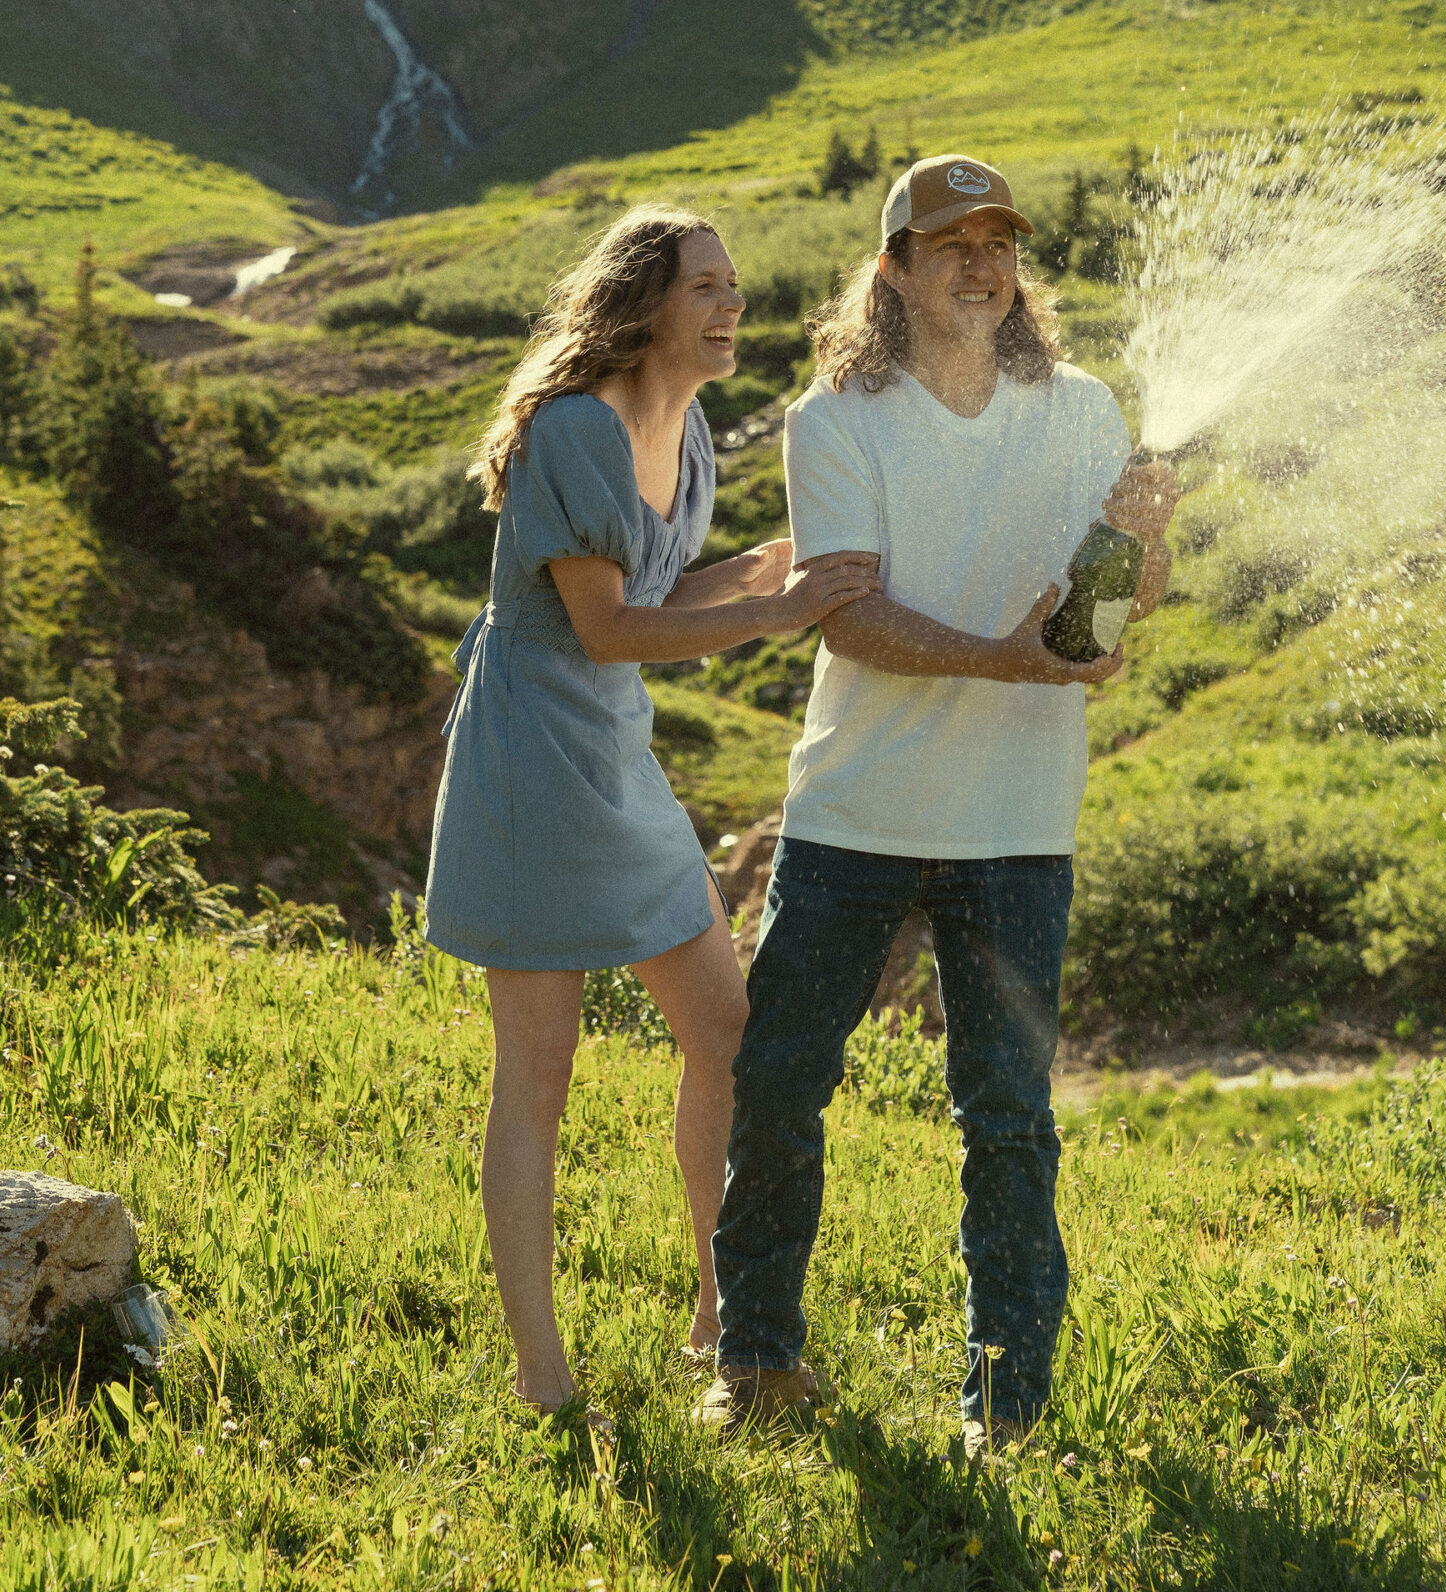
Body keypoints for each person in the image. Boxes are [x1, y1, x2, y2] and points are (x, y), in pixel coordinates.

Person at [698, 155, 1178, 1454]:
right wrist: (1003, 657)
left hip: (1016, 828)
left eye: (999, 239)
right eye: (947, 240)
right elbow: (843, 610)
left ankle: (1005, 1408)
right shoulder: (835, 422)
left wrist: (1136, 544)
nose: (979, 260)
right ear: (891, 270)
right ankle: (754, 1366)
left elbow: (1095, 644)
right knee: (778, 1089)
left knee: (1008, 1122)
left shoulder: (1080, 410)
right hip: (854, 814)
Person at [423, 205, 880, 1410]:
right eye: (707, 288)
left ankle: (722, 1321)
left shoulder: (698, 429)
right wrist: (774, 611)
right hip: (530, 754)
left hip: (616, 752)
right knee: (537, 1075)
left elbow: (662, 590)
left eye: (734, 286)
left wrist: (776, 565)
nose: (733, 306)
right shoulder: (574, 427)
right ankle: (542, 1375)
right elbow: (606, 625)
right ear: (645, 301)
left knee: (725, 1037)